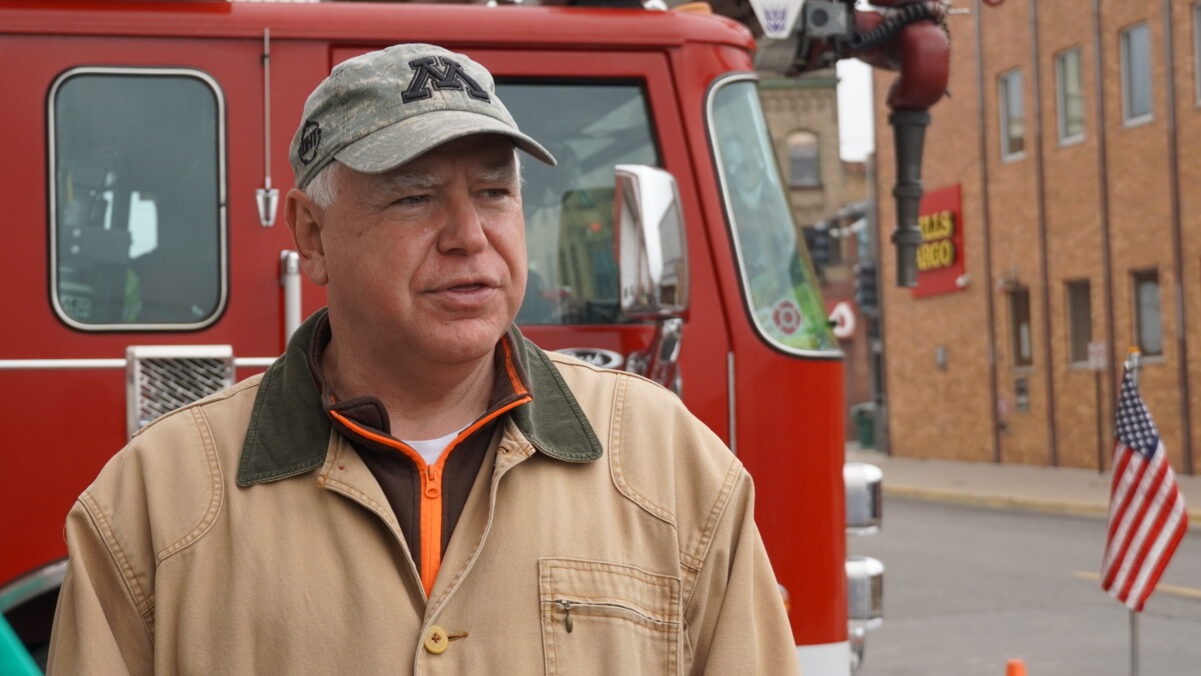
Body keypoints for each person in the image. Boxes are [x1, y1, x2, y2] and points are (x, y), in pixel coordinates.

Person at [46, 43, 799, 674]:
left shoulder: (673, 466)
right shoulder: (155, 502)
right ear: (311, 236)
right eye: (413, 197)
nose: (469, 235)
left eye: (496, 193)